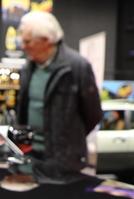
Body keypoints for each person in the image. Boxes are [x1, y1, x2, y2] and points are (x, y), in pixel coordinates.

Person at [16, 10, 102, 173]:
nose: (23, 46)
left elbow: (94, 114)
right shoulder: (28, 69)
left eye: (27, 41)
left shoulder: (77, 67)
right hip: (30, 157)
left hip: (64, 161)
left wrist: (68, 141)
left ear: (46, 40)